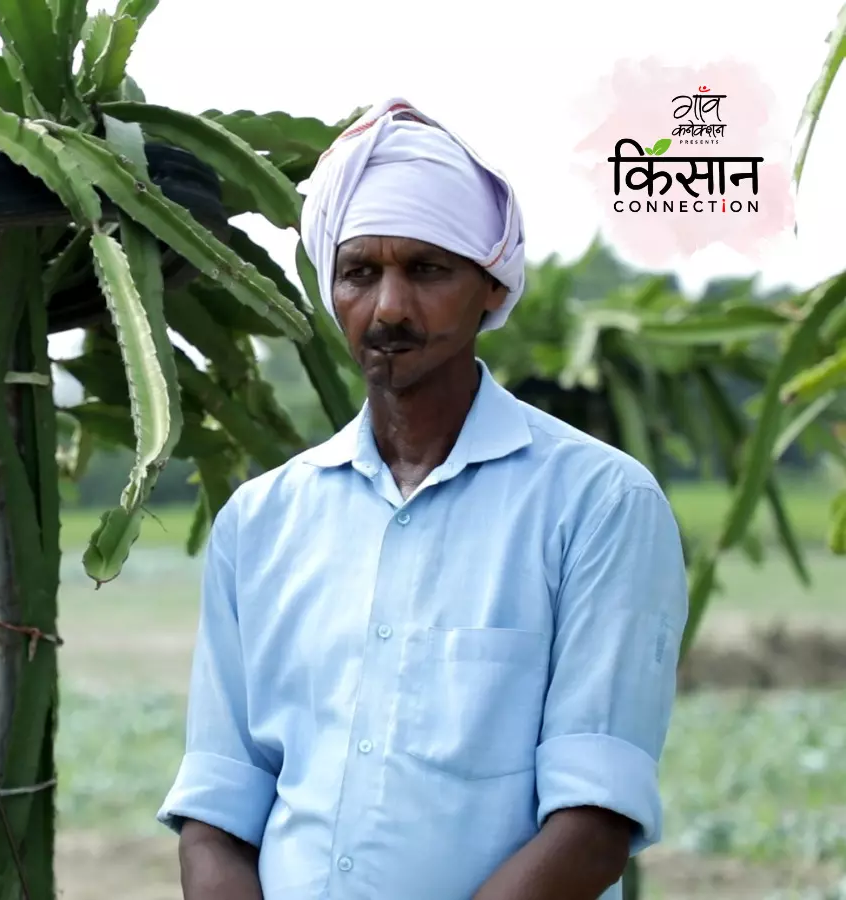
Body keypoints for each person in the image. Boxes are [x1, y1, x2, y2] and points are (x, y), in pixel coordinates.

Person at [156, 97, 689, 900]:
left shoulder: (599, 503)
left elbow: (593, 820)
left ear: (490, 285)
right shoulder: (261, 523)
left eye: (428, 270)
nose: (390, 309)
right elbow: (220, 811)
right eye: (360, 272)